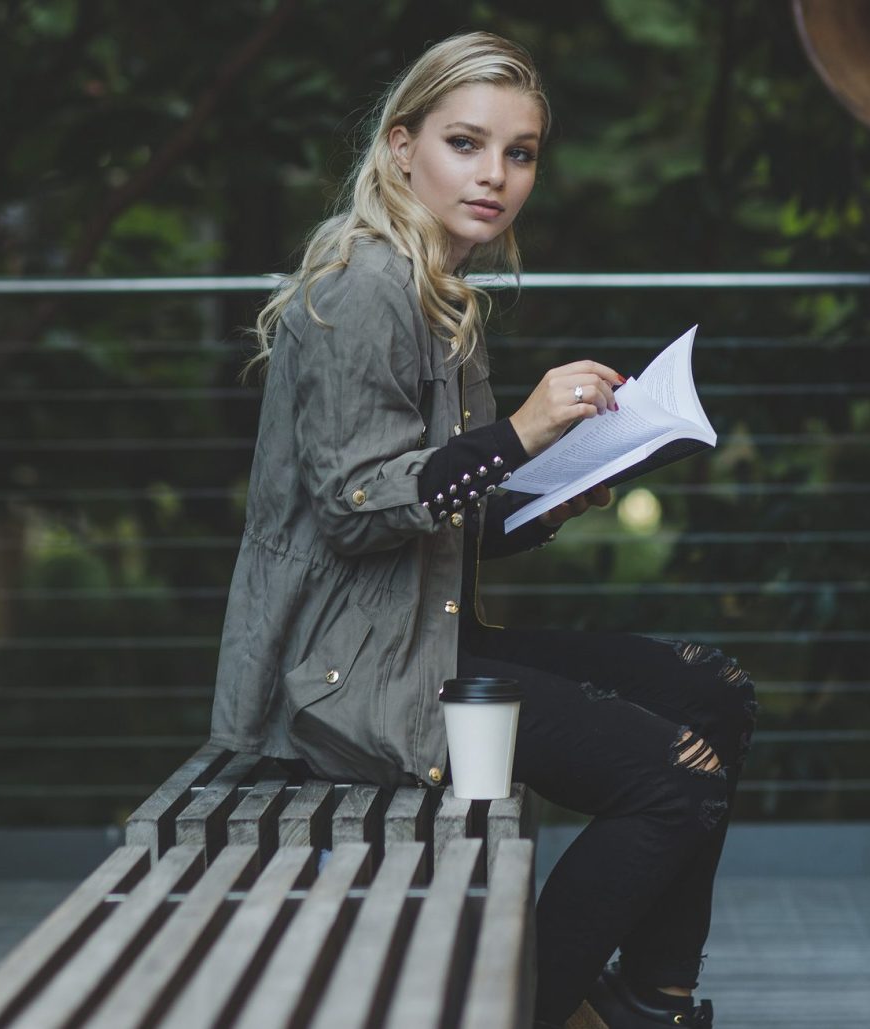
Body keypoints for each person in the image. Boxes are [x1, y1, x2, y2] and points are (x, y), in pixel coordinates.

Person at [209, 31, 757, 1029]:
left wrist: (551, 491)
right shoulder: (362, 292)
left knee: (709, 689)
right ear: (399, 148)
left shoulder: (433, 295)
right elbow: (356, 508)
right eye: (467, 143)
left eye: (520, 153)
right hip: (352, 675)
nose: (496, 175)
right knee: (675, 786)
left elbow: (446, 521)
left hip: (424, 636)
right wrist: (522, 429)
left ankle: (645, 1001)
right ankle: (538, 1011)